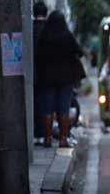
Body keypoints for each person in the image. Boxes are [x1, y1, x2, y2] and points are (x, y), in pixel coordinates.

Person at [34, 11, 83, 148]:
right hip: (65, 79)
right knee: (63, 109)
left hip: (47, 79)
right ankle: (63, 139)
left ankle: (47, 138)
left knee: (47, 109)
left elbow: (37, 55)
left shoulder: (45, 36)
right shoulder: (67, 36)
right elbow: (79, 52)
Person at [32, 1, 49, 132]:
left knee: (34, 103)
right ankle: (45, 133)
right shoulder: (51, 29)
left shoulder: (29, 29)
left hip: (32, 73)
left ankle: (36, 131)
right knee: (46, 104)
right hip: (48, 74)